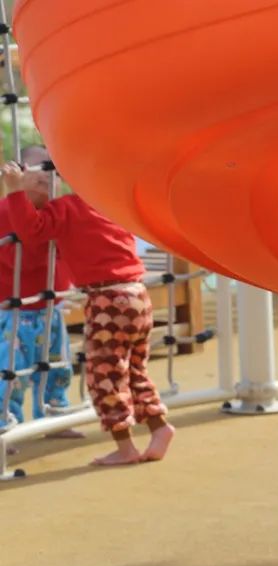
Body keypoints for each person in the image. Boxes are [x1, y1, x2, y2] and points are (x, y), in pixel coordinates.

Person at [0, 155, 175, 466]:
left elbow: (32, 231)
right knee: (134, 369)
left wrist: (14, 191)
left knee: (102, 374)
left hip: (107, 300)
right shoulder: (110, 205)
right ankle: (159, 426)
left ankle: (125, 447)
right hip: (137, 294)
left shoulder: (67, 207)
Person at [0, 146, 80, 434]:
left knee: (58, 367)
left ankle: (55, 415)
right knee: (12, 373)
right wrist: (45, 241)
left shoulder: (57, 210)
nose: (47, 174)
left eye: (53, 169)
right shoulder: (6, 211)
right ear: (19, 172)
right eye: (39, 168)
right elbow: (19, 259)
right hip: (14, 310)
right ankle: (6, 423)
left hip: (50, 306)